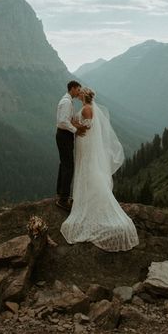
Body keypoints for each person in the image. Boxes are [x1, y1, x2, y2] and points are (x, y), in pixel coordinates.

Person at [60, 87, 139, 252]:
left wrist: (74, 124)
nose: (79, 94)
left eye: (81, 93)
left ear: (84, 96)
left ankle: (91, 197)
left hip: (85, 142)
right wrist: (75, 124)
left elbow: (87, 127)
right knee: (85, 168)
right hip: (83, 142)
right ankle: (87, 195)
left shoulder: (88, 109)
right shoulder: (87, 107)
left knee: (88, 168)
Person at [55, 80, 88, 211]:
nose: (79, 92)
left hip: (63, 135)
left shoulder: (66, 101)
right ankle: (63, 199)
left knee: (64, 164)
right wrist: (76, 130)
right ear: (72, 89)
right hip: (64, 135)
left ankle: (60, 192)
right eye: (78, 90)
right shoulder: (67, 102)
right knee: (69, 166)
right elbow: (63, 121)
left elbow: (65, 120)